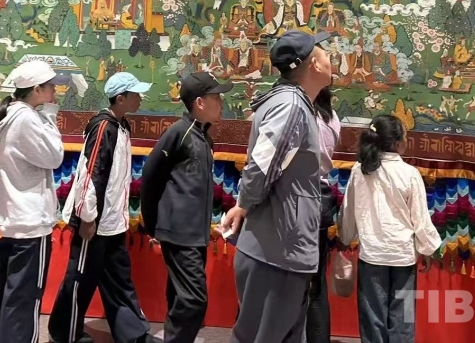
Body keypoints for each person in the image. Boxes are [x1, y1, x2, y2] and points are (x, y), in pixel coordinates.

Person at [222, 30, 334, 343]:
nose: (331, 59)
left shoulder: (292, 102)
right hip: (277, 250)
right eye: (325, 53)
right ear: (314, 64)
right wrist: (244, 204)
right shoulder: (291, 106)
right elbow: (262, 165)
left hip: (280, 244)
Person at [48, 72, 155, 343]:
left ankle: (133, 334)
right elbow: (91, 172)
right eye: (135, 94)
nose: (140, 98)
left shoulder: (121, 126)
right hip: (93, 222)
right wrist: (87, 217)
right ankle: (64, 334)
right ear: (120, 98)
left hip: (112, 222)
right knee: (80, 278)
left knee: (119, 278)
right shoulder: (104, 128)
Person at [0, 60, 68, 343]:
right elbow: (54, 156)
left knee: (5, 291)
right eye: (51, 87)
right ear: (36, 89)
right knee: (24, 298)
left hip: (15, 218)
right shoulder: (26, 118)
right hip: (31, 222)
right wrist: (50, 117)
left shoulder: (13, 115)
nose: (55, 91)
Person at [140, 71, 234, 343]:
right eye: (216, 97)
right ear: (200, 103)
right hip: (178, 232)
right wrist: (153, 223)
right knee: (194, 299)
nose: (221, 103)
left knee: (180, 297)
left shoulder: (204, 136)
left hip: (195, 234)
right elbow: (150, 175)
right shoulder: (179, 132)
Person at [338, 114, 442, 343]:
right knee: (403, 318)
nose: (407, 140)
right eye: (405, 135)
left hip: (372, 255)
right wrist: (427, 248)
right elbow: (420, 218)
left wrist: (344, 237)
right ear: (396, 143)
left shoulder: (360, 170)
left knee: (372, 318)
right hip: (403, 256)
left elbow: (349, 210)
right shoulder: (409, 173)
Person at [306, 87, 342, 343]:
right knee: (316, 281)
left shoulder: (303, 115)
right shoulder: (331, 117)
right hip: (321, 197)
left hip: (298, 197)